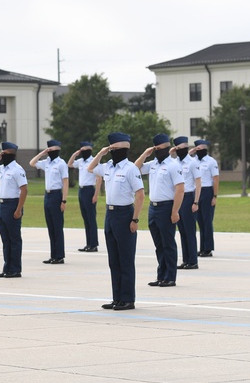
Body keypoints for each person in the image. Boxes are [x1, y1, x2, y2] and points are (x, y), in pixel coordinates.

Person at [87, 133, 144, 311]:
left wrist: (135, 219)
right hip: (110, 214)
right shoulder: (108, 166)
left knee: (125, 259)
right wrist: (101, 153)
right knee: (114, 259)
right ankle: (117, 297)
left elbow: (140, 195)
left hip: (125, 214)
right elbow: (90, 168)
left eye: (114, 149)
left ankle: (128, 299)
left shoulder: (130, 168)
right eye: (111, 149)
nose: (113, 151)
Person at [134, 134, 184, 287]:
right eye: (156, 149)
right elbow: (135, 168)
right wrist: (145, 154)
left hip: (167, 207)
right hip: (153, 208)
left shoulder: (173, 165)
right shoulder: (153, 163)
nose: (158, 151)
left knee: (168, 243)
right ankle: (161, 275)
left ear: (167, 148)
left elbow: (180, 189)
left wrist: (175, 211)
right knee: (159, 245)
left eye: (160, 148)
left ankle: (170, 277)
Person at [0, 142, 28, 277]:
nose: (2, 156)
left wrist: (19, 209)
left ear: (11, 154)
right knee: (6, 240)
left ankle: (15, 269)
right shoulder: (3, 168)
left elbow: (24, 190)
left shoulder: (17, 169)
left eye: (4, 154)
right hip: (2, 205)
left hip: (13, 204)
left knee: (14, 239)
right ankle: (7, 268)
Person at [30, 140, 69, 264]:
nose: (50, 152)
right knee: (50, 226)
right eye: (49, 150)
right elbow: (32, 163)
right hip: (47, 195)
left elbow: (65, 182)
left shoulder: (61, 164)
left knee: (57, 226)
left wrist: (64, 200)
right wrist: (42, 153)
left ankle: (59, 256)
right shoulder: (46, 162)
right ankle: (53, 255)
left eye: (52, 150)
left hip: (57, 195)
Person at [172, 136, 201, 270]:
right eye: (176, 148)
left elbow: (198, 182)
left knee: (189, 230)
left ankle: (193, 261)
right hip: (179, 197)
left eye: (180, 148)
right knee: (182, 230)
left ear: (186, 148)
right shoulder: (175, 162)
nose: (178, 151)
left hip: (189, 196)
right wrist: (171, 151)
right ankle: (185, 259)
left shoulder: (192, 162)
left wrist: (196, 201)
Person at [68, 142, 101, 252]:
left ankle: (94, 244)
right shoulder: (81, 161)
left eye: (86, 150)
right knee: (85, 218)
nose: (84, 152)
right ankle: (88, 243)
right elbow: (70, 164)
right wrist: (75, 154)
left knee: (91, 218)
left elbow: (99, 178)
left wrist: (96, 194)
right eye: (82, 150)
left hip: (90, 190)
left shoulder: (94, 161)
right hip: (81, 190)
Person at [191, 139, 220, 257]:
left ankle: (208, 248)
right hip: (197, 192)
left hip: (207, 191)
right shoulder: (193, 161)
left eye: (201, 149)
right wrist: (190, 152)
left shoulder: (211, 161)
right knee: (200, 221)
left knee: (207, 221)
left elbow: (216, 179)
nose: (199, 151)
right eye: (197, 149)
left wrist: (215, 196)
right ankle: (202, 247)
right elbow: (181, 162)